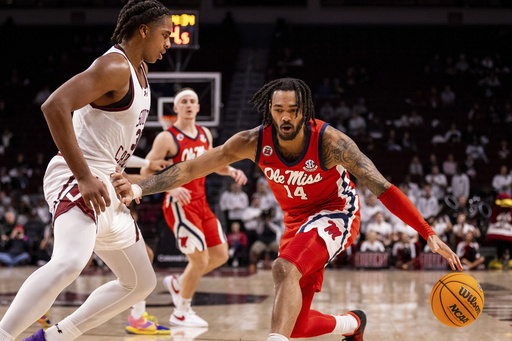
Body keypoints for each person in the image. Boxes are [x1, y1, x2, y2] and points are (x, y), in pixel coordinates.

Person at [115, 78, 462, 341]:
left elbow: (382, 187)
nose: (285, 117)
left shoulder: (331, 142)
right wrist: (137, 186)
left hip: (337, 212)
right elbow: (190, 169)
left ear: (304, 110)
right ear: (270, 110)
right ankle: (354, 323)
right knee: (296, 326)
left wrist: (427, 232)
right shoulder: (252, 141)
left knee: (283, 268)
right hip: (296, 221)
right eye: (278, 110)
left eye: (292, 110)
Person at [0, 2, 174, 340]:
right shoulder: (114, 65)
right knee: (69, 261)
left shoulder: (140, 72)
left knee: (140, 282)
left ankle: (55, 336)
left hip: (105, 180)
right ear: (143, 30)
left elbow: (106, 136)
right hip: (78, 175)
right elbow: (54, 106)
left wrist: (136, 168)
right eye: (165, 35)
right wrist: (83, 176)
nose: (168, 43)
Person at [140, 87, 247, 327]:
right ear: (175, 108)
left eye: (193, 102)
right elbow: (146, 170)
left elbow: (210, 164)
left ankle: (179, 283)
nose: (189, 105)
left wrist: (230, 170)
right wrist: (170, 187)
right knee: (199, 259)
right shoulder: (167, 137)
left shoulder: (204, 134)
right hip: (179, 203)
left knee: (220, 255)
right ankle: (180, 312)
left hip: (201, 201)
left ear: (198, 108)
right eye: (184, 102)